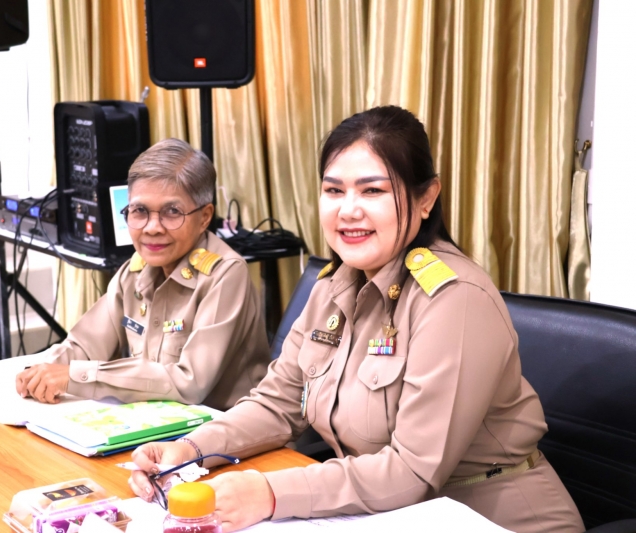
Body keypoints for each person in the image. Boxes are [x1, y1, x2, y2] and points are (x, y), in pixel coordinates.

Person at [128, 107, 584, 532]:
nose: (348, 210)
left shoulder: (454, 299)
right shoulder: (333, 286)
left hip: (488, 517)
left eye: (373, 190)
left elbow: (411, 472)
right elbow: (277, 404)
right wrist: (190, 450)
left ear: (426, 198)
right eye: (333, 190)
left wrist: (269, 493)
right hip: (384, 513)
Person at [15, 138, 270, 411]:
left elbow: (189, 382)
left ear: (205, 217)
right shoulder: (134, 271)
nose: (152, 228)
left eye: (172, 212)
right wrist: (39, 371)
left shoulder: (225, 274)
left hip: (222, 426)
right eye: (139, 211)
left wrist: (75, 376)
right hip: (155, 420)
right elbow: (85, 346)